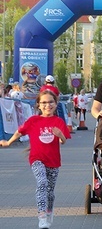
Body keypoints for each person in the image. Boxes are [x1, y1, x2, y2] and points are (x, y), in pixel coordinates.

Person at [0, 90, 71, 228]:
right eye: (44, 103)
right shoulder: (33, 121)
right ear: (38, 105)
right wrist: (8, 143)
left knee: (50, 191)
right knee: (42, 183)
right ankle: (42, 216)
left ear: (56, 104)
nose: (47, 105)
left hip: (53, 161)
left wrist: (60, 135)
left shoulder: (58, 121)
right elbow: (19, 131)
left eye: (51, 102)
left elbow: (63, 141)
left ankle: (49, 211)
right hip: (36, 159)